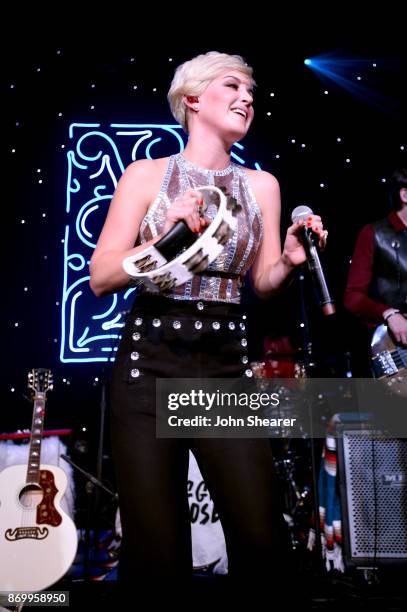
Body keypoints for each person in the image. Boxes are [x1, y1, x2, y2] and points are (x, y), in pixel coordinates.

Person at [89, 51, 326, 594]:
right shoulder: (145, 176)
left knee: (263, 540)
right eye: (233, 86)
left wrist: (288, 261)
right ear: (192, 100)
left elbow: (260, 282)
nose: (247, 97)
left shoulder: (261, 185)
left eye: (251, 91)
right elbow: (101, 275)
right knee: (157, 554)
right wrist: (164, 240)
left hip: (222, 365)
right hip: (150, 363)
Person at [344, 167, 407, 347]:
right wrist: (389, 313)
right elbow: (353, 297)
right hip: (393, 347)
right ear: (404, 195)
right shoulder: (373, 233)